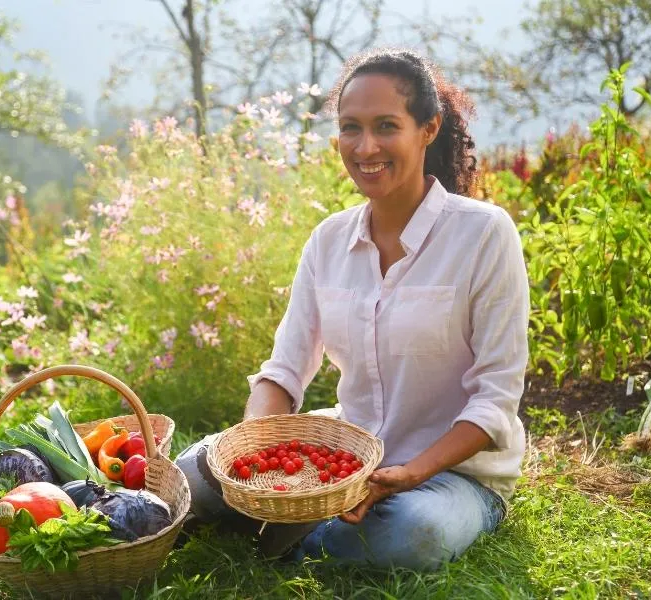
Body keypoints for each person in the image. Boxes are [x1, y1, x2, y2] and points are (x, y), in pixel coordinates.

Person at [176, 48, 529, 571]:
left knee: (414, 534)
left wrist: (410, 474)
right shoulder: (329, 240)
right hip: (347, 455)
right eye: (350, 128)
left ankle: (285, 535)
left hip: (454, 473)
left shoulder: (482, 234)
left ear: (428, 129)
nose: (365, 147)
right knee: (192, 470)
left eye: (387, 126)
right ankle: (284, 519)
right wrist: (250, 452)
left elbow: (495, 400)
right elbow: (284, 370)